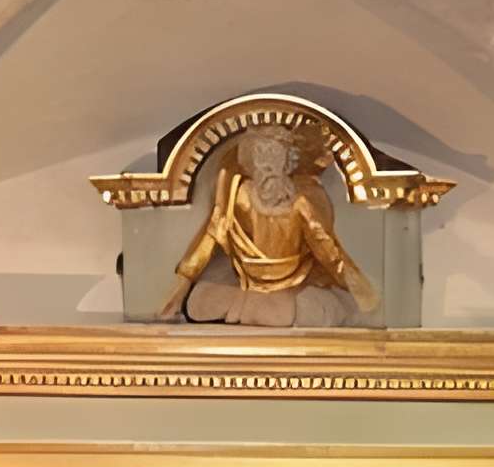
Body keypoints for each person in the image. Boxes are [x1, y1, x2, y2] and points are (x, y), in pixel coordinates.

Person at [155, 125, 379, 327]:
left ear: (287, 162)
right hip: (244, 283)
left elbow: (328, 252)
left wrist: (361, 292)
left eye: (273, 153)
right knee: (202, 301)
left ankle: (258, 309)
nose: (267, 164)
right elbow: (213, 233)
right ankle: (250, 307)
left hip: (293, 284)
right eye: (260, 153)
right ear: (250, 161)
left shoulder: (301, 203)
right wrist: (183, 283)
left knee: (315, 309)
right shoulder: (239, 195)